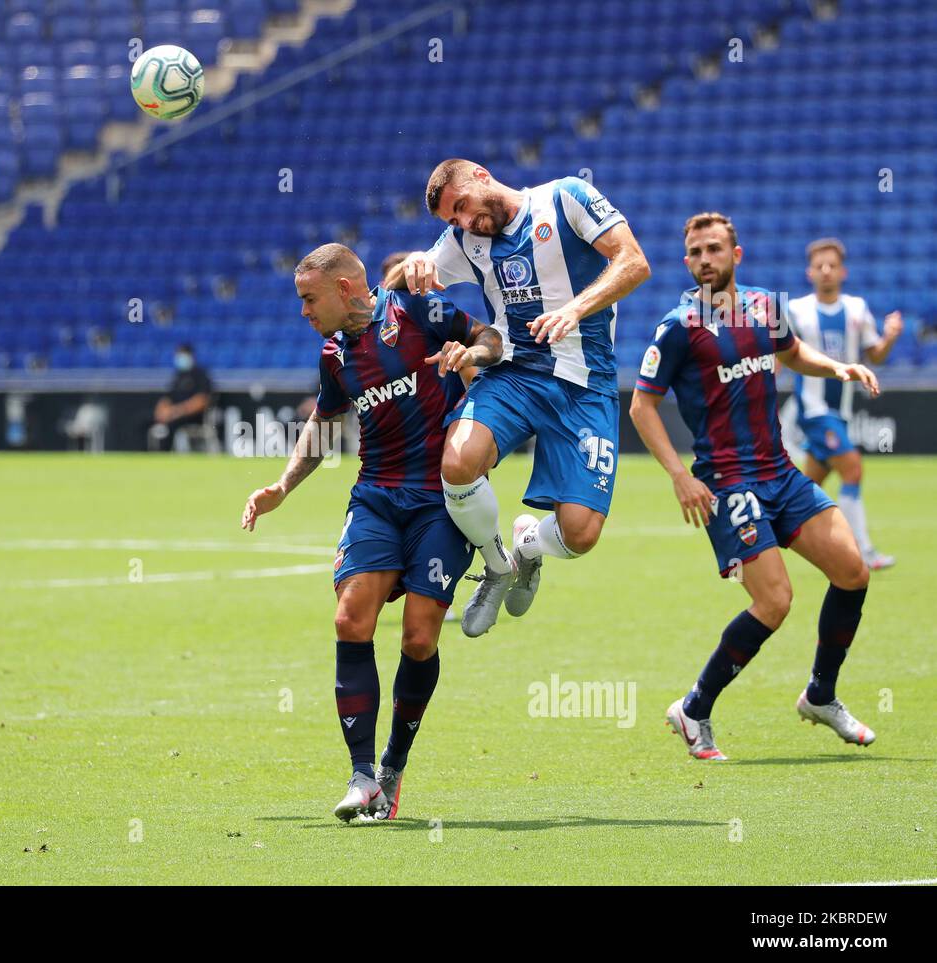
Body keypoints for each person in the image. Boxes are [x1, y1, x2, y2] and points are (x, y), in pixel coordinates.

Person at [241, 243, 503, 821]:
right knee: (349, 619)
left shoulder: (418, 313)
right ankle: (361, 777)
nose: (303, 312)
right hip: (377, 497)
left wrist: (471, 355)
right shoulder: (334, 356)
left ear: (342, 289)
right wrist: (283, 487)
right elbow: (323, 423)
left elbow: (492, 338)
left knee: (418, 638)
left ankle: (392, 767)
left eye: (309, 299)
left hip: (438, 500)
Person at [629, 214, 879, 760]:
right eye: (694, 252)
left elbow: (791, 354)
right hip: (727, 482)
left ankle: (821, 694)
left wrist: (839, 368)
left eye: (714, 249)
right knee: (775, 600)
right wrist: (679, 476)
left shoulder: (766, 306)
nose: (704, 260)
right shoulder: (678, 326)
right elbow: (642, 405)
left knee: (853, 572)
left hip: (781, 472)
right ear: (687, 262)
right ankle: (693, 708)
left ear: (736, 255)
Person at [400, 159, 651, 637]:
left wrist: (576, 307)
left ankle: (529, 545)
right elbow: (416, 277)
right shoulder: (463, 241)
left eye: (463, 208)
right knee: (456, 462)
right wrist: (411, 262)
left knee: (580, 535)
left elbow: (634, 261)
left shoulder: (565, 197)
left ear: (479, 174)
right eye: (453, 220)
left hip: (586, 382)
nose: (466, 223)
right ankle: (497, 567)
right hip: (514, 373)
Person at [786, 238, 904, 569]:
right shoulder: (796, 310)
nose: (826, 271)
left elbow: (875, 354)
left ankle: (767, 533)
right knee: (852, 468)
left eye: (832, 266)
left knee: (805, 491)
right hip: (814, 409)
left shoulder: (857, 309)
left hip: (843, 410)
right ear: (809, 272)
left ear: (843, 271)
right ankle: (862, 551)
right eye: (819, 266)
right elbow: (780, 355)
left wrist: (890, 336)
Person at [150, 343, 214, 452]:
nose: (180, 358)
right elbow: (167, 397)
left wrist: (177, 411)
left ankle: (163, 455)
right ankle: (140, 454)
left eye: (182, 354)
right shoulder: (178, 375)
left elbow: (201, 400)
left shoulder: (200, 374)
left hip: (192, 416)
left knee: (171, 424)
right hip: (173, 413)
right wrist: (161, 411)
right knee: (143, 420)